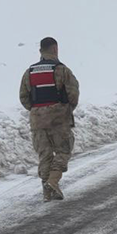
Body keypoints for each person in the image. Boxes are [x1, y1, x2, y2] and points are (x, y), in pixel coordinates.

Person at [19, 37, 80, 200]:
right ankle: (53, 181)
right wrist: (65, 110)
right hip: (58, 118)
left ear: (40, 50)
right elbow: (73, 93)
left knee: (44, 155)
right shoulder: (62, 70)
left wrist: (37, 110)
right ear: (55, 49)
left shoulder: (29, 72)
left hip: (37, 121)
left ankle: (47, 192)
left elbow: (23, 97)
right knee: (63, 150)